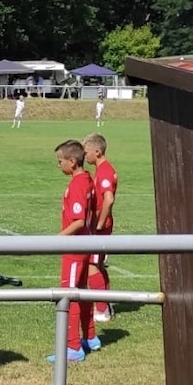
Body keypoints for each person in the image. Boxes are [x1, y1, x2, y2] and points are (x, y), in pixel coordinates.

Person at [50, 139, 98, 363]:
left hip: (74, 248)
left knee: (68, 294)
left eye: (60, 161)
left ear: (72, 161)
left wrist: (58, 239)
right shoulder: (88, 180)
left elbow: (78, 221)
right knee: (82, 291)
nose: (58, 165)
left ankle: (73, 346)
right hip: (85, 244)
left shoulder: (78, 184)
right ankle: (90, 337)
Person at [83, 132, 118, 323]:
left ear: (97, 152)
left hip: (100, 228)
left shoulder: (104, 171)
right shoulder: (102, 169)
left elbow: (108, 199)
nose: (84, 155)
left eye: (86, 152)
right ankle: (106, 304)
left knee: (92, 265)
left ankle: (102, 310)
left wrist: (99, 223)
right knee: (99, 264)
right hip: (101, 227)